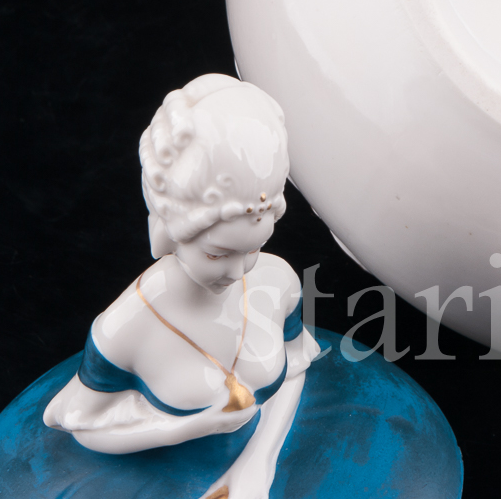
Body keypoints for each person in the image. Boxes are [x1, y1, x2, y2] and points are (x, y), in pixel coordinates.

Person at [43, 74, 319, 499]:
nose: (239, 272)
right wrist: (189, 427)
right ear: (168, 228)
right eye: (216, 254)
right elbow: (80, 425)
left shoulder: (277, 279)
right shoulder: (126, 326)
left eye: (254, 249)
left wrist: (257, 463)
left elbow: (296, 369)